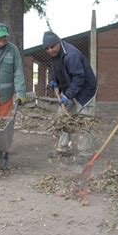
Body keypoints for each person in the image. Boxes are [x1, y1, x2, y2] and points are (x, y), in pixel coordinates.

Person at [42, 30, 98, 162]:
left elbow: (79, 78)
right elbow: (54, 69)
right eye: (47, 48)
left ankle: (85, 152)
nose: (50, 50)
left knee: (84, 120)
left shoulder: (71, 55)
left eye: (52, 47)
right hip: (69, 89)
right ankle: (63, 148)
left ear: (58, 43)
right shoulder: (54, 54)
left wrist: (67, 96)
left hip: (85, 90)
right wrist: (53, 80)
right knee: (61, 118)